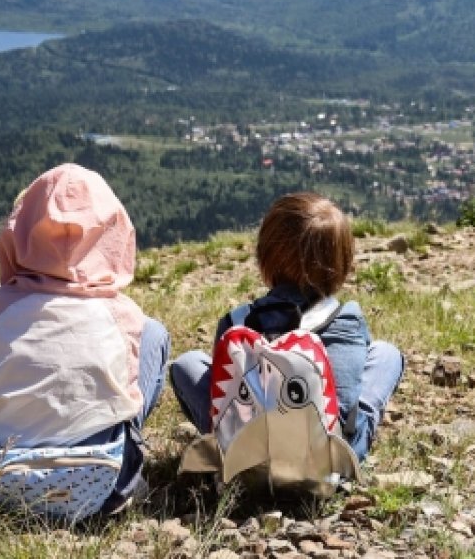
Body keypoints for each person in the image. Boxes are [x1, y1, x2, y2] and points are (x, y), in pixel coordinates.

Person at [0, 163, 170, 515]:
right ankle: (125, 467)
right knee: (154, 333)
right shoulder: (122, 314)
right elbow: (129, 401)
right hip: (102, 492)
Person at [170, 192, 403, 461]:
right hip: (326, 461)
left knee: (187, 364)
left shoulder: (237, 321)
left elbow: (224, 392)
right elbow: (347, 394)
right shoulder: (346, 319)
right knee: (386, 354)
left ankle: (224, 447)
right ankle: (352, 451)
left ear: (265, 256)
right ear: (340, 263)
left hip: (245, 455)